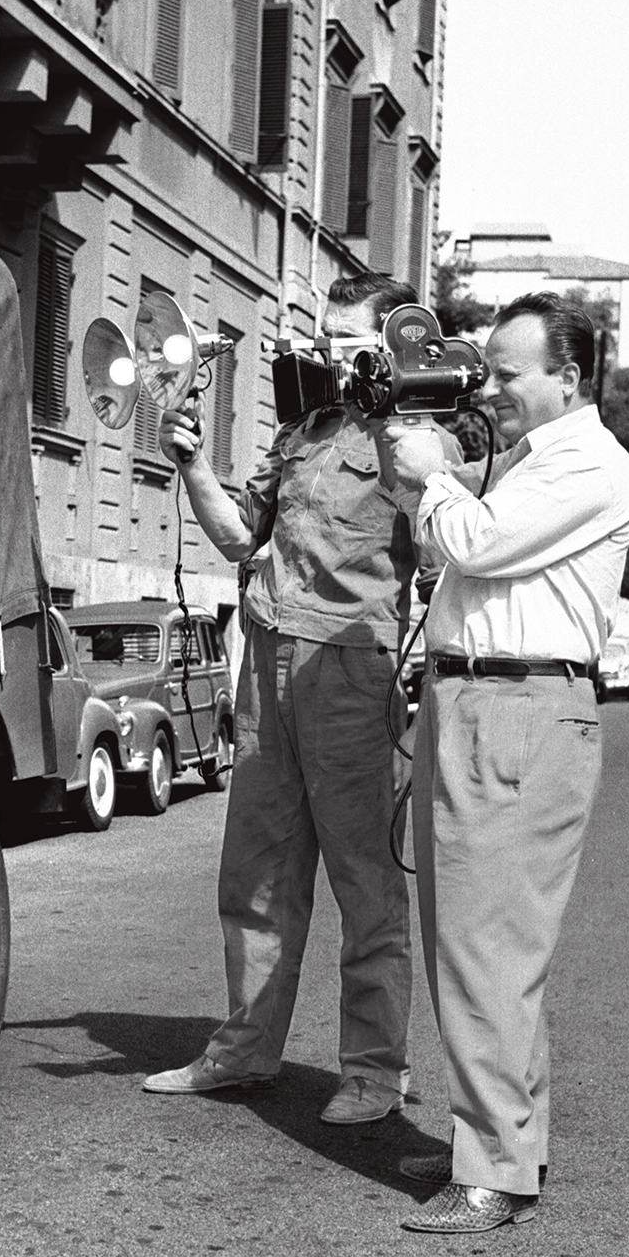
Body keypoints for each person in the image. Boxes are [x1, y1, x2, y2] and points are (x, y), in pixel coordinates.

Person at [142, 272, 460, 1124]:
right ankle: (245, 1049)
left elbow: (441, 548)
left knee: (365, 881)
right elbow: (240, 537)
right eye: (322, 335)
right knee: (257, 873)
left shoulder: (422, 437)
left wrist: (394, 415)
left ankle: (373, 1071)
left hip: (351, 672)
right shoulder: (305, 430)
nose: (325, 351)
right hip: (266, 663)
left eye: (346, 337)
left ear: (392, 339)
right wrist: (192, 462)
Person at [384, 291, 629, 1234]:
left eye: (507, 374)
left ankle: (493, 1168)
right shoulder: (533, 461)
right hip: (478, 699)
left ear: (568, 379)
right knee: (475, 939)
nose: (488, 387)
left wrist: (432, 477)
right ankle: (501, 1142)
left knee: (486, 948)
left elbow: (478, 544)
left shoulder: (592, 465)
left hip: (518, 707)